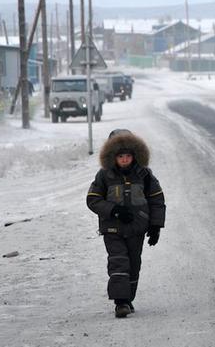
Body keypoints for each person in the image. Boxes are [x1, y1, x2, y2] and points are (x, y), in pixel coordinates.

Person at [86, 130, 166, 318]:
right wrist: (114, 210)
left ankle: (128, 298)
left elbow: (156, 200)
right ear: (112, 156)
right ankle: (120, 302)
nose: (124, 160)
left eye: (128, 156)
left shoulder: (144, 175)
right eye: (120, 156)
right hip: (112, 229)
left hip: (137, 229)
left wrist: (155, 226)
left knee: (133, 264)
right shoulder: (104, 176)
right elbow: (93, 199)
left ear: (135, 155)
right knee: (118, 262)